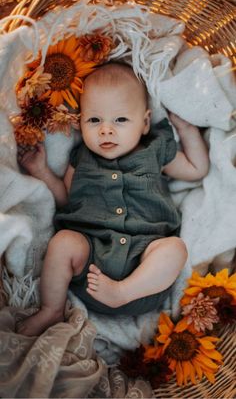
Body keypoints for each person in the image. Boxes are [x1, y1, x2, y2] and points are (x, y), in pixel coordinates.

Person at [17, 62, 209, 336]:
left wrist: (188, 130)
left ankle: (121, 291)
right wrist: (41, 171)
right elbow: (65, 199)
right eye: (94, 120)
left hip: (146, 269)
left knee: (175, 248)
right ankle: (52, 309)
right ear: (81, 122)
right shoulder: (81, 158)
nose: (106, 130)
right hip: (91, 260)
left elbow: (196, 169)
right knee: (63, 242)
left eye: (120, 120)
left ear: (144, 123)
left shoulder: (153, 150)